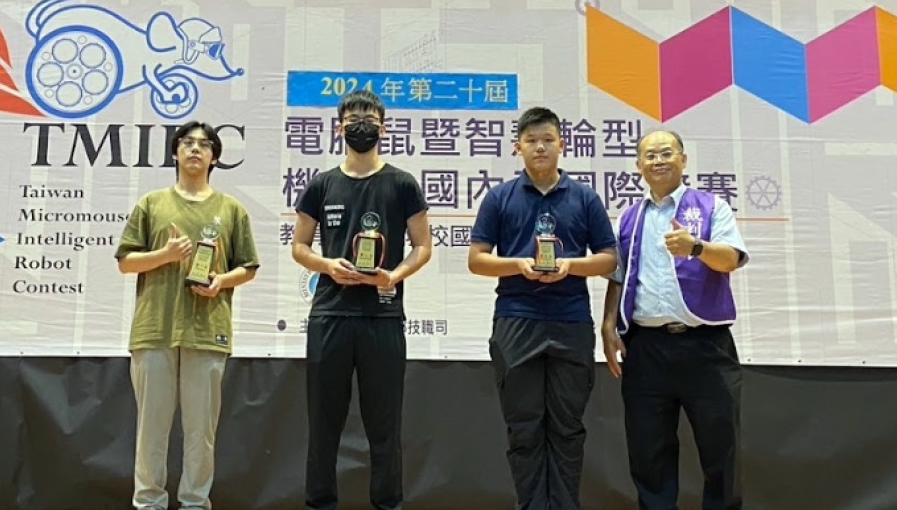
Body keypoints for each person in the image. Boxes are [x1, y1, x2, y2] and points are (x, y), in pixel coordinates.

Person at [467, 106, 617, 509]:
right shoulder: (500, 197)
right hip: (517, 319)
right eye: (531, 141)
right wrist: (518, 265)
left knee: (568, 428)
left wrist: (571, 266)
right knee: (524, 428)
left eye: (548, 140)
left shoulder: (584, 197)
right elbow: (477, 260)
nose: (540, 147)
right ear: (517, 147)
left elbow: (609, 259)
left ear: (562, 145)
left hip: (571, 321)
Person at [291, 90, 432, 510]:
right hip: (330, 315)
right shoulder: (321, 184)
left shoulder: (402, 183)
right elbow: (299, 246)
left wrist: (395, 275)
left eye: (369, 118)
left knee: (385, 427)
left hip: (382, 316)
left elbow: (423, 246)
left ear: (383, 128)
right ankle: (319, 504)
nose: (361, 124)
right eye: (353, 119)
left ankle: (388, 504)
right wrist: (326, 265)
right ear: (340, 128)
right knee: (323, 425)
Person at [115, 120, 260, 510]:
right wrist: (165, 255)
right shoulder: (152, 204)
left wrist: (220, 281)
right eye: (187, 143)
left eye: (204, 144)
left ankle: (195, 502)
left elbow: (248, 267)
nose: (195, 149)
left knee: (201, 431)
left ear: (215, 157)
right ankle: (149, 502)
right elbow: (126, 262)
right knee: (151, 430)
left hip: (207, 329)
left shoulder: (231, 210)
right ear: (175, 152)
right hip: (154, 330)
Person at [601, 130, 748, 510]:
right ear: (639, 166)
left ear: (683, 160)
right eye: (650, 155)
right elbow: (618, 276)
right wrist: (608, 324)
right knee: (649, 452)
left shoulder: (712, 207)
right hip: (646, 348)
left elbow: (731, 259)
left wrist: (696, 247)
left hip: (706, 346)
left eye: (666, 153)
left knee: (721, 448)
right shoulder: (629, 218)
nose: (659, 161)